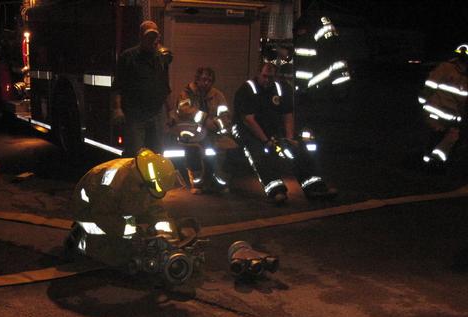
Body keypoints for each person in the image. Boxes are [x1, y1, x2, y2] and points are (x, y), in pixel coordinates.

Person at [232, 62, 337, 204]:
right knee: (259, 154)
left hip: (271, 129)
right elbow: (249, 120)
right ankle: (276, 191)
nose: (267, 80)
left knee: (296, 150)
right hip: (247, 130)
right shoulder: (247, 89)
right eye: (264, 76)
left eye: (271, 77)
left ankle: (314, 187)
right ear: (258, 74)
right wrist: (266, 142)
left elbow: (288, 115)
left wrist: (289, 138)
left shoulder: (282, 89)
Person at [67, 149, 183, 269]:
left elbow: (157, 210)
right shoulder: (111, 183)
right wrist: (134, 233)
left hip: (114, 207)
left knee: (132, 241)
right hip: (89, 212)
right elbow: (103, 216)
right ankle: (80, 237)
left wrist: (167, 236)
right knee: (119, 256)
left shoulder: (145, 175)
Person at [112, 20, 173, 157]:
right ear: (141, 37)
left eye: (155, 36)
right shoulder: (128, 57)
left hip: (157, 113)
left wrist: (170, 112)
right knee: (135, 154)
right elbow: (118, 86)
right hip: (135, 114)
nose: (153, 40)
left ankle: (154, 178)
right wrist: (117, 108)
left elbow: (165, 86)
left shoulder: (162, 58)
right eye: (149, 36)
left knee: (158, 153)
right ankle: (135, 178)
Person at [175, 66, 237, 194]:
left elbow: (225, 116)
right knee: (193, 152)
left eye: (209, 80)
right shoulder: (187, 93)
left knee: (221, 153)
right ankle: (197, 184)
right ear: (197, 79)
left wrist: (216, 125)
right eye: (203, 79)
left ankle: (218, 181)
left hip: (212, 133)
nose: (206, 83)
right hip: (192, 134)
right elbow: (183, 110)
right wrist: (204, 119)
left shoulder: (217, 95)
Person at [418, 44, 468, 167]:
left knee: (449, 137)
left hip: (450, 115)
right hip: (436, 110)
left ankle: (433, 161)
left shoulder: (463, 75)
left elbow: (463, 100)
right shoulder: (446, 68)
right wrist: (424, 102)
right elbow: (430, 85)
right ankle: (429, 162)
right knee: (439, 135)